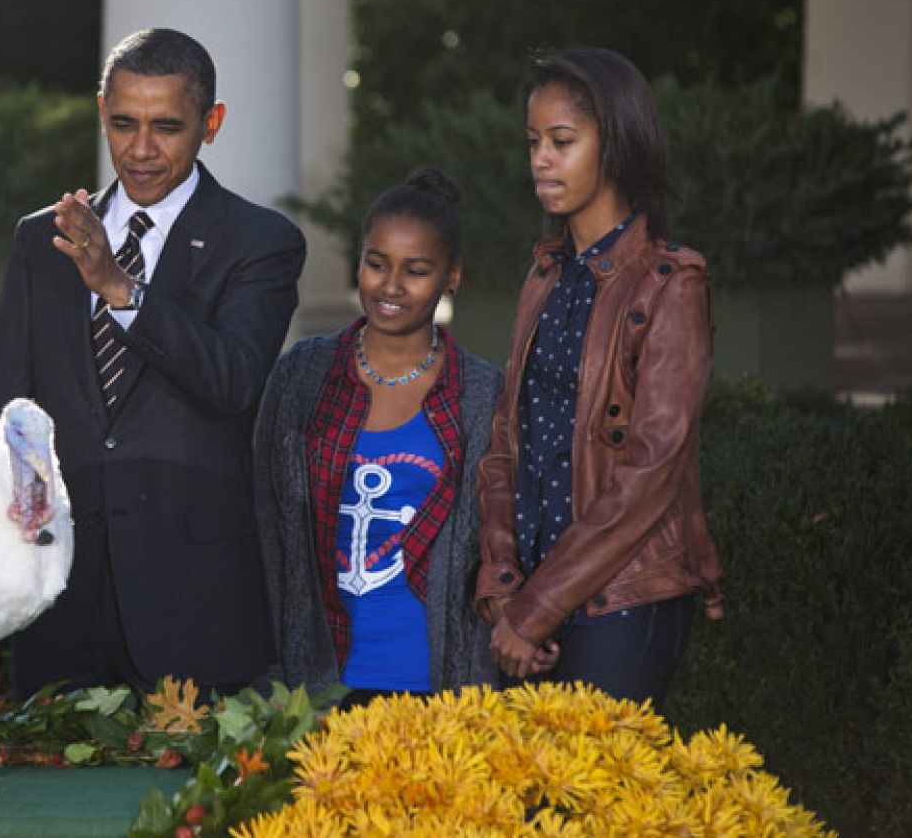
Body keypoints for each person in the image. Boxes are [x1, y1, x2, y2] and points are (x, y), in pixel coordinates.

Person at [0, 28, 306, 699]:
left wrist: (122, 290)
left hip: (196, 611)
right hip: (57, 606)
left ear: (212, 123)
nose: (141, 148)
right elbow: (6, 418)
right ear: (101, 113)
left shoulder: (262, 242)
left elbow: (233, 379)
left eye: (166, 127)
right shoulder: (44, 238)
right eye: (123, 123)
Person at [475, 47, 723, 707]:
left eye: (562, 141)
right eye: (533, 142)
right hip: (528, 595)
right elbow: (506, 443)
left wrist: (535, 608)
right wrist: (502, 582)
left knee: (599, 802)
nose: (540, 160)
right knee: (520, 804)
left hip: (623, 599)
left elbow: (650, 471)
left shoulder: (672, 282)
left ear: (616, 145)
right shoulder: (544, 276)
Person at [254, 168, 501, 703]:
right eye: (376, 264)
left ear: (451, 277)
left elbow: (501, 546)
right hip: (320, 682)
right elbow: (268, 527)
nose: (390, 286)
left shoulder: (482, 395)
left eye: (415, 271)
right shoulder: (302, 376)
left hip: (442, 683)